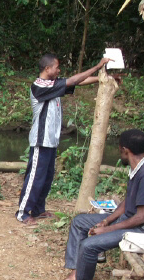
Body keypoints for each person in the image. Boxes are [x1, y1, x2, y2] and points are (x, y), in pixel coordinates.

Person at [44, 129, 144, 280]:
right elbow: (128, 201)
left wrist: (108, 229)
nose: (120, 154)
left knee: (89, 245)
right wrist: (106, 220)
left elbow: (140, 217)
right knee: (79, 222)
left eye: (119, 150)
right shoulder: (138, 167)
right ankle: (76, 274)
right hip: (129, 221)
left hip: (142, 230)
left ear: (125, 150)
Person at [17, 54, 112, 225]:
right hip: (41, 140)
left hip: (51, 140)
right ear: (47, 69)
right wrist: (98, 66)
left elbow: (77, 81)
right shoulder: (39, 86)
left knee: (46, 177)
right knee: (35, 177)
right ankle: (22, 212)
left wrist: (101, 78)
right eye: (57, 67)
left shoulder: (52, 84)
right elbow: (73, 81)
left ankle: (38, 210)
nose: (59, 70)